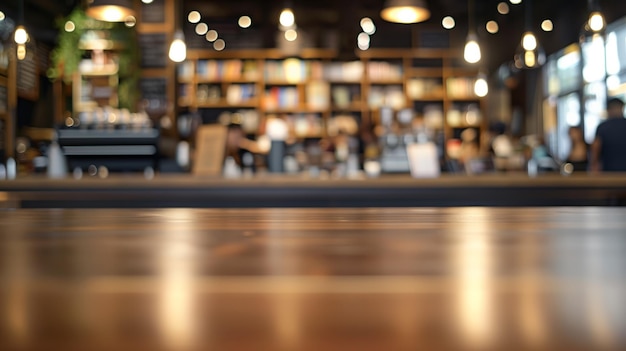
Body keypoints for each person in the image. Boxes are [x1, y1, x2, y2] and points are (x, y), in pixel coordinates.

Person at [591, 97, 626, 172]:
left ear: (608, 110)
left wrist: (593, 167)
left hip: (608, 174)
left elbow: (596, 149)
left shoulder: (603, 127)